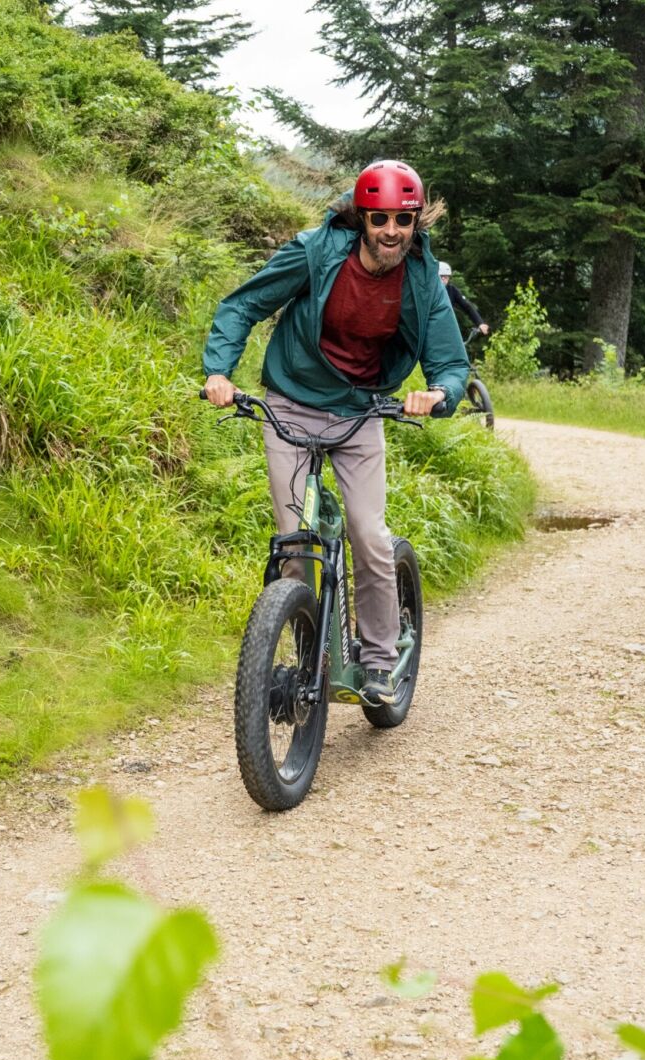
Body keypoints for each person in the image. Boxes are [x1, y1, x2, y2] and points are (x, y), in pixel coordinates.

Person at [203, 160, 469, 705]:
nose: (391, 231)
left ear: (416, 221)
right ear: (362, 218)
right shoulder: (316, 251)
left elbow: (450, 362)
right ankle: (310, 662)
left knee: (369, 535)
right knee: (295, 548)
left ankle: (377, 661)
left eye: (403, 219)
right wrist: (218, 371)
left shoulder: (422, 278)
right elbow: (243, 305)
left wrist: (438, 393)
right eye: (379, 219)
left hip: (360, 412)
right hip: (291, 405)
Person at [438, 262, 489, 336]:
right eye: (441, 276)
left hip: (447, 328)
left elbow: (467, 307)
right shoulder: (427, 291)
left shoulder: (452, 290)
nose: (443, 279)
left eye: (446, 277)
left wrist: (480, 323)